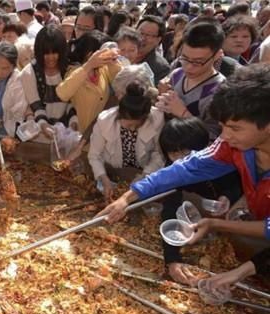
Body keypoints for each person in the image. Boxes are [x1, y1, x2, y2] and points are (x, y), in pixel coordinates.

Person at [99, 64, 270, 275]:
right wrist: (128, 197)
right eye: (222, 126)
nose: (224, 135)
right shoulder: (230, 146)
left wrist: (217, 225)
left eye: (235, 128)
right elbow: (184, 169)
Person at [156, 117, 242, 285]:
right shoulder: (173, 169)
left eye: (186, 153)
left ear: (202, 149)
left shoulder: (220, 158)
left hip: (237, 209)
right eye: (174, 154)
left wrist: (228, 197)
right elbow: (170, 209)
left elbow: (238, 183)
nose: (181, 160)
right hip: (202, 213)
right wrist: (172, 259)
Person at [88, 82, 165, 202]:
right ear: (120, 116)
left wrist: (144, 175)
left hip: (141, 171)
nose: (133, 129)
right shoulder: (105, 121)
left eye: (138, 124)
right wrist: (104, 179)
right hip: (113, 170)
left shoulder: (157, 119)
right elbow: (94, 155)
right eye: (129, 125)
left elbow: (159, 153)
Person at [156, 21, 225, 140]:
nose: (188, 67)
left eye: (198, 62)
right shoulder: (176, 74)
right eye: (185, 58)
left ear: (217, 55)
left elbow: (215, 138)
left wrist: (184, 114)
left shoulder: (221, 91)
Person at [57, 30, 122, 134]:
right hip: (80, 136)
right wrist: (89, 65)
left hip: (98, 135)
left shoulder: (103, 70)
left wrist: (114, 61)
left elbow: (122, 82)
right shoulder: (74, 71)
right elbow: (62, 93)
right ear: (90, 54)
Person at [20, 25, 74, 143]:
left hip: (66, 133)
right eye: (46, 53)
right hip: (39, 134)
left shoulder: (70, 70)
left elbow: (72, 102)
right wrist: (44, 125)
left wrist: (73, 124)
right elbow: (35, 104)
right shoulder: (29, 73)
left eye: (55, 52)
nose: (51, 58)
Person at [0, 43, 27, 139]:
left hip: (5, 133)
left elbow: (19, 114)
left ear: (13, 67)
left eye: (5, 68)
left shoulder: (18, 81)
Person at [136, 15, 170, 84]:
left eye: (148, 35)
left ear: (158, 40)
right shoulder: (119, 51)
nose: (142, 38)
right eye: (141, 33)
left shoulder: (161, 68)